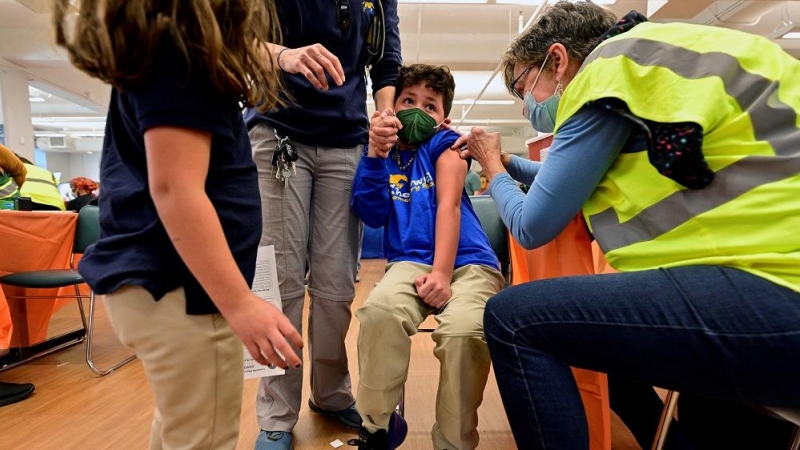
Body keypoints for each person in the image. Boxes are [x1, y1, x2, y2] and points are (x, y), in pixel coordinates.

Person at [451, 2, 800, 449]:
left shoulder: (603, 77)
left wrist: (491, 170)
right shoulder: (659, 60)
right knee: (613, 349)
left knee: (514, 319)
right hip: (769, 274)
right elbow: (573, 185)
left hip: (771, 289)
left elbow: (531, 224)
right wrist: (509, 164)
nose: (526, 108)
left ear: (557, 60)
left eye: (524, 86)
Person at [53, 1, 302, 448]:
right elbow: (176, 190)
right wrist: (241, 303)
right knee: (203, 436)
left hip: (163, 285)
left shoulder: (161, 55)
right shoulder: (183, 58)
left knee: (180, 430)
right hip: (183, 292)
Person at [243, 1, 401, 448]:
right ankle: (276, 413)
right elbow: (234, 38)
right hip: (277, 131)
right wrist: (282, 55)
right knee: (281, 283)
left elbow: (386, 62)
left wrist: (383, 113)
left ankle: (331, 395)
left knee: (336, 284)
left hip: (346, 140)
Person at [349, 64, 504, 450]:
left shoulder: (444, 145)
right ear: (390, 106)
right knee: (379, 313)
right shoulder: (379, 157)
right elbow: (371, 214)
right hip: (408, 263)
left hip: (468, 263)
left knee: (465, 334)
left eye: (430, 106)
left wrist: (441, 273)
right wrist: (374, 153)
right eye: (408, 100)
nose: (417, 111)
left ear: (443, 119)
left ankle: (454, 442)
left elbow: (448, 206)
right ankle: (378, 427)